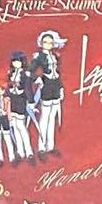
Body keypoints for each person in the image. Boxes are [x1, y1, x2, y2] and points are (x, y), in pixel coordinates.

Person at [31, 30, 66, 159]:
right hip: (46, 85)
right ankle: (41, 147)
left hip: (55, 85)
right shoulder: (38, 57)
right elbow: (29, 71)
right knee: (44, 117)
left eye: (50, 43)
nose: (48, 45)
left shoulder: (55, 56)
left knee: (52, 117)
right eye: (45, 42)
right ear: (41, 43)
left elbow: (57, 73)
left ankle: (50, 146)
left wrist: (61, 88)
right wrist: (37, 79)